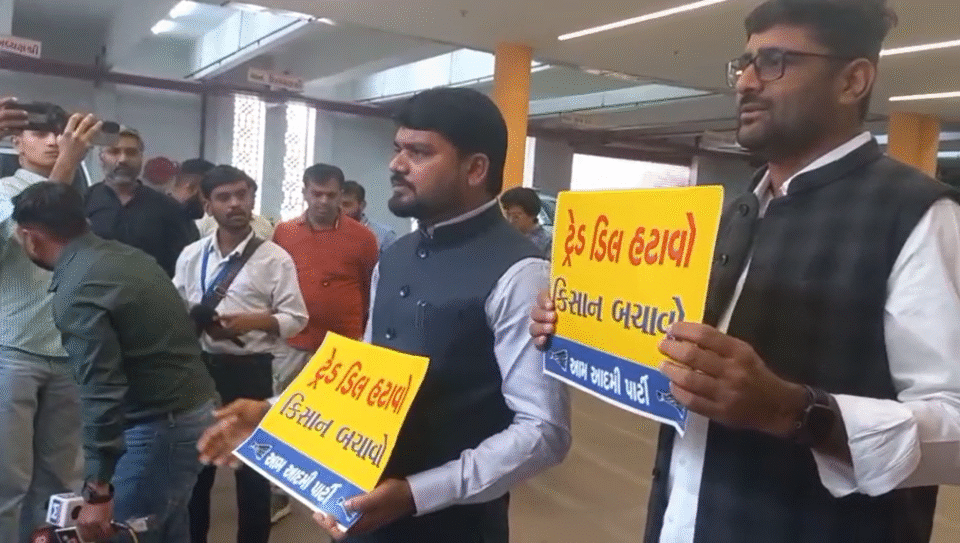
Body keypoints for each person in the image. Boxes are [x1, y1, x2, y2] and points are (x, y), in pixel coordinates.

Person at [531, 1, 960, 542]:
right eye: (745, 64)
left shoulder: (918, 215)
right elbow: (676, 354)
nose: (746, 82)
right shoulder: (735, 211)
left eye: (775, 62)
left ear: (853, 81)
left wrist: (798, 412)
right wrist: (579, 324)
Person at [197, 87, 572, 543]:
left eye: (419, 152)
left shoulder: (520, 272)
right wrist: (274, 414)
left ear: (475, 169)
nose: (396, 164)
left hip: (453, 528)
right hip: (360, 509)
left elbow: (542, 431)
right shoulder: (395, 255)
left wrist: (416, 494)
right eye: (398, 149)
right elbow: (366, 386)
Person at [11, 181, 219, 543]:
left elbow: (100, 389)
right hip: (189, 414)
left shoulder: (79, 288)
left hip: (158, 428)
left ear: (30, 238)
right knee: (164, 528)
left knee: (122, 531)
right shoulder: (128, 258)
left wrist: (97, 491)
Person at [174, 165, 308, 543]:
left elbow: (297, 318)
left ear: (252, 198)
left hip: (252, 371)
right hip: (201, 371)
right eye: (224, 197)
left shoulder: (275, 258)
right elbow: (176, 306)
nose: (235, 203)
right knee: (199, 467)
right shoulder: (191, 255)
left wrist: (253, 322)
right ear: (207, 205)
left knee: (253, 475)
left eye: (241, 195)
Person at [0, 105, 100, 543]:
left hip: (68, 353)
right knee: (8, 482)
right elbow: (28, 232)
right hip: (14, 351)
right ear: (16, 142)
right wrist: (65, 168)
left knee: (61, 484)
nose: (55, 140)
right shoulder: (6, 190)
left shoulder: (79, 201)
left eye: (61, 132)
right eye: (40, 132)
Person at [272, 166, 379, 391]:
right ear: (304, 193)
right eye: (316, 193)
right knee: (284, 403)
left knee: (337, 406)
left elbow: (370, 287)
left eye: (330, 195)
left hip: (344, 344)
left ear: (341, 194)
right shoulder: (284, 233)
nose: (323, 201)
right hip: (294, 343)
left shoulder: (363, 238)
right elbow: (273, 284)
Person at [85, 128, 197, 277]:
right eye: (114, 152)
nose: (123, 159)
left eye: (131, 152)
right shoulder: (83, 202)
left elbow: (185, 262)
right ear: (101, 158)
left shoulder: (168, 208)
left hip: (152, 289)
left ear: (141, 158)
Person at [341, 180, 398, 255]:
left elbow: (395, 262)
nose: (340, 209)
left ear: (362, 205)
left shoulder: (384, 235)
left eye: (346, 204)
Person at [499, 187, 551, 258]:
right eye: (508, 215)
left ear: (532, 215)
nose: (510, 221)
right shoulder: (505, 238)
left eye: (516, 217)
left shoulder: (545, 243)